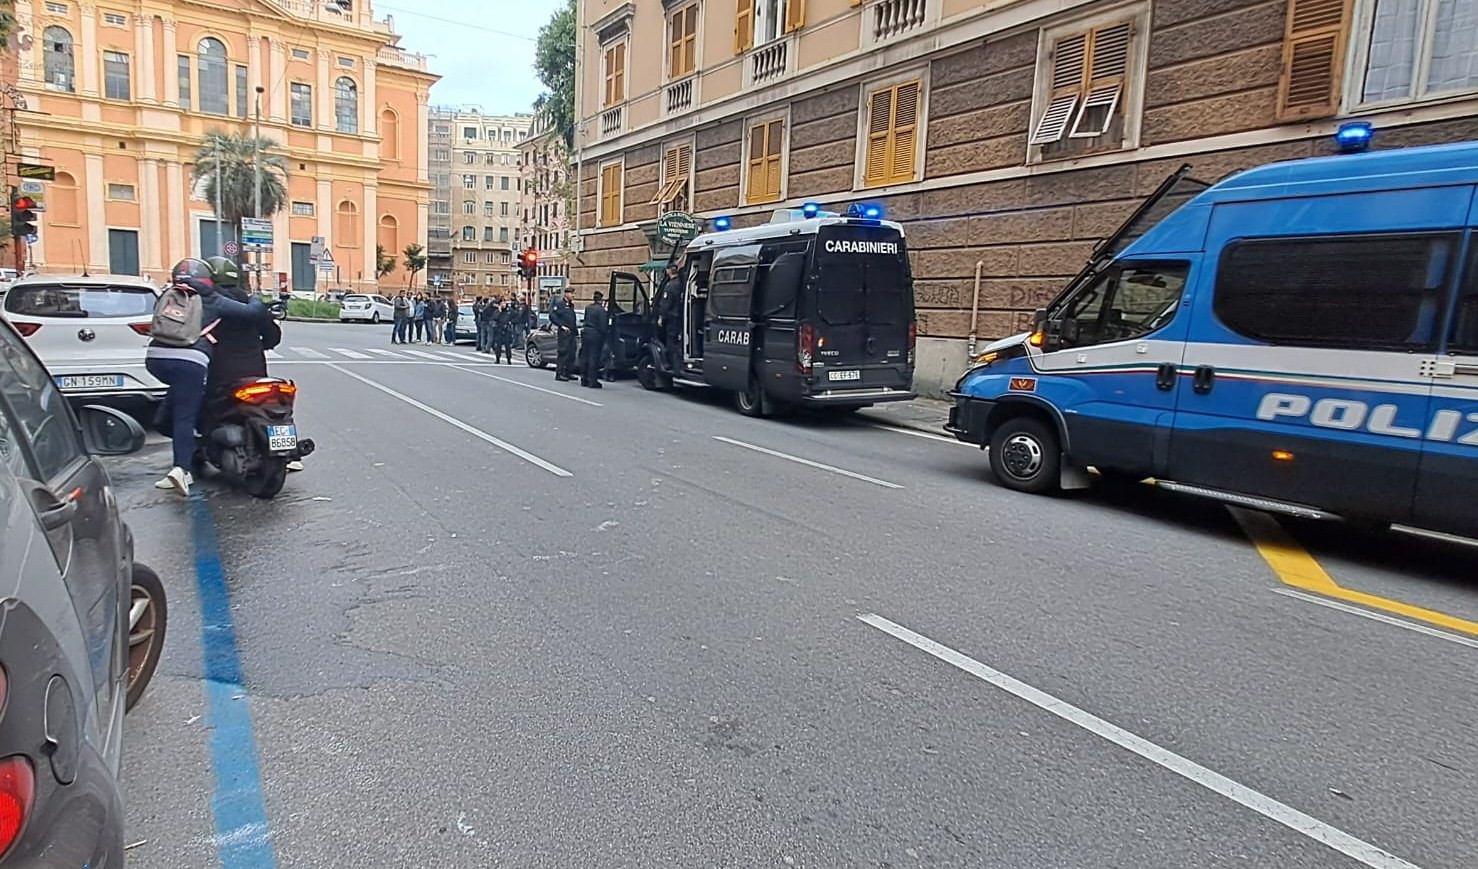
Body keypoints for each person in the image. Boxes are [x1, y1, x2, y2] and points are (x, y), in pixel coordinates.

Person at [146, 257, 271, 496]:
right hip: (190, 361)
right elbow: (252, 313)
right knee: (185, 414)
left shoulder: (169, 294)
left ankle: (186, 453)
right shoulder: (212, 298)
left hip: (156, 358)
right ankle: (181, 469)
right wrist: (256, 297)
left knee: (178, 405)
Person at [201, 257, 304, 473]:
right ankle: (288, 453)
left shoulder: (208, 305)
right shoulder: (252, 306)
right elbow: (273, 337)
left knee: (204, 409)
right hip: (256, 375)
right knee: (271, 405)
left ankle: (194, 457)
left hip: (221, 376)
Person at [580, 291, 610, 388]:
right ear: (601, 300)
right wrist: (604, 336)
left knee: (585, 356)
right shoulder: (601, 311)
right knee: (594, 357)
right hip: (595, 335)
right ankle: (592, 381)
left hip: (586, 333)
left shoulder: (588, 308)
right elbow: (602, 326)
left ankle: (584, 379)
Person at [657, 264, 683, 371]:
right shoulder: (681, 284)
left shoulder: (670, 286)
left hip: (671, 318)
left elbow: (666, 304)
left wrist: (661, 317)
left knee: (670, 341)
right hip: (680, 317)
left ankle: (671, 364)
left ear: (668, 271)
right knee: (677, 341)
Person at [551, 289, 578, 381]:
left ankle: (568, 372)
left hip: (572, 333)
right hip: (564, 334)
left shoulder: (571, 305)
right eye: (572, 294)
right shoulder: (559, 304)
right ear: (566, 294)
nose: (573, 296)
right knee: (563, 353)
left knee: (571, 353)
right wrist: (561, 326)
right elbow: (552, 316)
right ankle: (559, 373)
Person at [494, 299, 515, 364]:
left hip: (507, 330)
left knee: (507, 345)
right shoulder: (497, 311)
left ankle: (509, 359)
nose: (503, 305)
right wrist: (499, 311)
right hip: (499, 329)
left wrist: (511, 322)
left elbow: (515, 316)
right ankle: (498, 358)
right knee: (498, 345)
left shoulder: (509, 311)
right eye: (502, 303)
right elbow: (494, 318)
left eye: (504, 303)